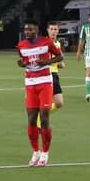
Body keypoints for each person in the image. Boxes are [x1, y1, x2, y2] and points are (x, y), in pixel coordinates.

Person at [17, 22, 61, 166]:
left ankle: (45, 153)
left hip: (45, 82)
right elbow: (25, 61)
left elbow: (60, 57)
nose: (27, 32)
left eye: (30, 29)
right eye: (25, 30)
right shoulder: (21, 45)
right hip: (30, 83)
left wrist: (47, 61)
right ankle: (35, 151)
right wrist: (22, 64)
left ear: (36, 30)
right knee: (31, 119)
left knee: (44, 117)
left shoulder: (47, 42)